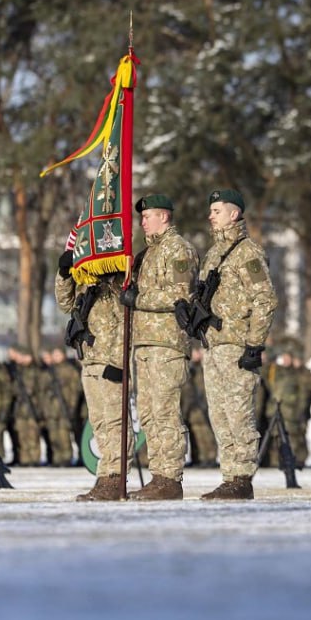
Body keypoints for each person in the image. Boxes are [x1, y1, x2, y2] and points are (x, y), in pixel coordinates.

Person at [180, 188, 277, 499]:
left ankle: (242, 478)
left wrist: (254, 344)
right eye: (211, 211)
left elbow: (265, 300)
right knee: (219, 415)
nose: (211, 216)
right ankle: (229, 476)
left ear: (234, 214)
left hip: (236, 346)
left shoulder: (248, 253)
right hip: (214, 346)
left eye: (217, 210)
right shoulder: (213, 255)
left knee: (238, 414)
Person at [119, 193, 199, 500]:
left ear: (164, 217)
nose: (142, 222)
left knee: (165, 411)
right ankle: (158, 475)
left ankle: (170, 477)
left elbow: (181, 295)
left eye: (147, 216)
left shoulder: (178, 249)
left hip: (167, 342)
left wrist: (138, 300)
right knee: (150, 414)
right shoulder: (147, 254)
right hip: (145, 343)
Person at [54, 245, 128, 499]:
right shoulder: (86, 281)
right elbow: (65, 303)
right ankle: (105, 474)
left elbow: (125, 323)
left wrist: (119, 363)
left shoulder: (117, 282)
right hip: (90, 359)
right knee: (99, 422)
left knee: (115, 420)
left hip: (110, 360)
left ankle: (116, 476)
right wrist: (64, 274)